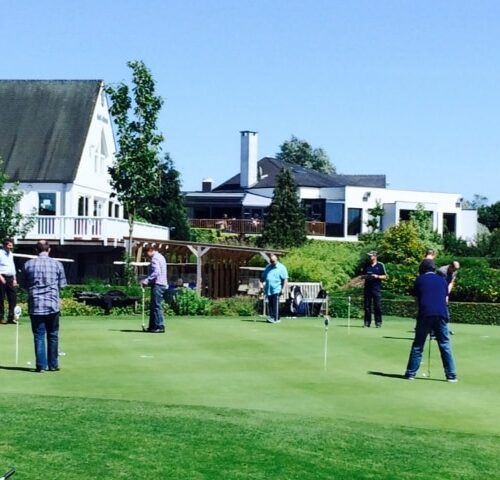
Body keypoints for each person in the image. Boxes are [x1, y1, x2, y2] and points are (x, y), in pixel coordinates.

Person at [404, 260, 457, 382]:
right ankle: (451, 375)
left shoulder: (419, 280)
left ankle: (410, 373)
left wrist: (417, 312)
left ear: (422, 269)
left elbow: (417, 300)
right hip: (441, 314)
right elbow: (444, 298)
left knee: (418, 344)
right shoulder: (442, 280)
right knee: (445, 344)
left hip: (425, 314)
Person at [22, 240, 67, 372]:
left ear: (36, 250)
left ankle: (41, 365)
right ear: (49, 249)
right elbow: (62, 284)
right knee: (53, 334)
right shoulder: (57, 264)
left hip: (36, 304)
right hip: (52, 304)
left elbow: (24, 285)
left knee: (39, 335)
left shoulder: (28, 264)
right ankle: (53, 364)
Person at [141, 245, 167, 333]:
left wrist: (146, 280)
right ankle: (153, 326)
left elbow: (156, 272)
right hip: (160, 284)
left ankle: (159, 326)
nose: (146, 255)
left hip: (158, 284)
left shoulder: (155, 258)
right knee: (154, 306)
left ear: (150, 250)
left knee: (156, 306)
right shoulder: (160, 257)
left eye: (146, 253)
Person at [261, 253, 288, 324]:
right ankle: (272, 317)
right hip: (269, 289)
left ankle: (275, 318)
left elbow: (285, 279)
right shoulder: (268, 267)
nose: (272, 262)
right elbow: (263, 277)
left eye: (273, 261)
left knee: (275, 303)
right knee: (270, 303)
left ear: (277, 260)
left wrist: (283, 289)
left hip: (277, 288)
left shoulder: (282, 267)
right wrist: (261, 284)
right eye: (271, 261)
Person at [362, 251, 387, 328]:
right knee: (367, 306)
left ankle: (378, 322)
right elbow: (362, 275)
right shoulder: (366, 265)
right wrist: (366, 276)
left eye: (371, 256)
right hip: (367, 288)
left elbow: (385, 276)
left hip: (376, 288)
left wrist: (377, 276)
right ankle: (367, 322)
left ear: (375, 256)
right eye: (369, 256)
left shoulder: (380, 265)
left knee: (377, 306)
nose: (369, 257)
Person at [437, 261, 460, 334]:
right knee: (438, 311)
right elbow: (439, 284)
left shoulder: (455, 272)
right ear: (450, 266)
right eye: (454, 269)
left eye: (456, 270)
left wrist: (447, 294)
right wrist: (443, 295)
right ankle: (434, 331)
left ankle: (444, 329)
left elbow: (451, 283)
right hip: (437, 291)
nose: (455, 271)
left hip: (444, 291)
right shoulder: (442, 271)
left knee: (445, 312)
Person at [0, 239, 18, 325]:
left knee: (13, 298)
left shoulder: (10, 254)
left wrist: (14, 279)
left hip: (11, 278)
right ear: (4, 245)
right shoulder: (0, 253)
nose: (11, 247)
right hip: (2, 277)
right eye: (9, 245)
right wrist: (0, 277)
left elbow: (12, 266)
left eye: (12, 245)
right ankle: (1, 318)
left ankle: (11, 318)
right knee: (1, 298)